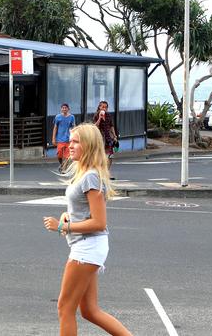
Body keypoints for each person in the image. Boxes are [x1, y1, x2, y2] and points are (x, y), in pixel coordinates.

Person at [42, 123, 132, 336]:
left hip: (87, 247)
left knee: (65, 308)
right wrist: (68, 216)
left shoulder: (91, 176)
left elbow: (99, 222)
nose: (70, 146)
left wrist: (63, 226)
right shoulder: (84, 173)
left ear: (89, 145)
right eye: (70, 141)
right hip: (87, 246)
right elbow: (83, 211)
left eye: (75, 142)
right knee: (90, 311)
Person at [93, 101, 118, 179]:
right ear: (99, 107)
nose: (104, 108)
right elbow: (95, 126)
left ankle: (106, 173)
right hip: (100, 138)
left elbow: (111, 126)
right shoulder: (96, 115)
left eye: (105, 107)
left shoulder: (108, 116)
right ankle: (100, 173)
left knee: (110, 156)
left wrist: (114, 136)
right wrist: (100, 118)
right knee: (101, 156)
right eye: (102, 107)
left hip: (108, 137)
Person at [52, 103, 76, 173]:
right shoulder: (57, 117)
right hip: (60, 139)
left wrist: (74, 136)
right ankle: (62, 164)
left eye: (65, 108)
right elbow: (55, 128)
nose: (64, 109)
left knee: (66, 156)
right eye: (63, 108)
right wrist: (53, 138)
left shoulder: (72, 117)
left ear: (68, 109)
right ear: (61, 109)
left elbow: (74, 127)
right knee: (59, 155)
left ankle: (64, 169)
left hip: (68, 139)